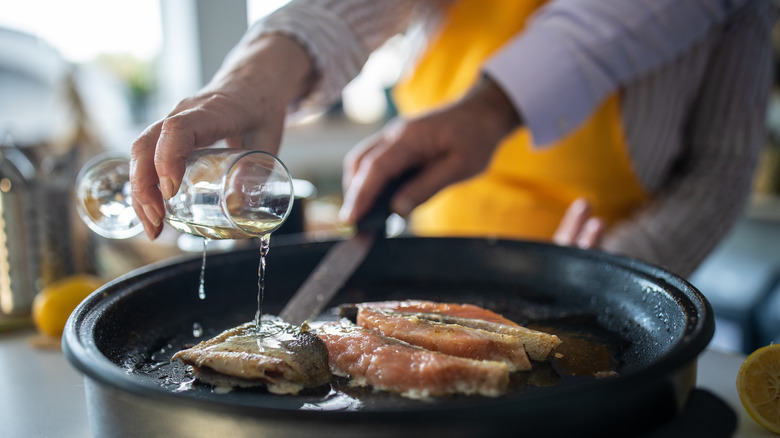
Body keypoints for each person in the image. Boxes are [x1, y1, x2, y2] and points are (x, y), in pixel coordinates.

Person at [130, 0, 776, 277]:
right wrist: (251, 81)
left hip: (599, 274)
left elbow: (721, 169)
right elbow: (343, 11)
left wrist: (617, 276)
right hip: (430, 273)